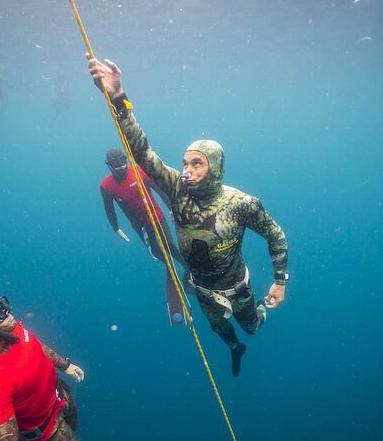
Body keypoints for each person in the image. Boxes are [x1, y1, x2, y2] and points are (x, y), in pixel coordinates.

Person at [88, 56, 289, 377]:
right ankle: (235, 348)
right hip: (204, 289)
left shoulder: (241, 203)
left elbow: (275, 234)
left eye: (197, 163)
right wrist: (118, 99)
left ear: (215, 167)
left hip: (237, 285)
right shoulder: (176, 188)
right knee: (220, 330)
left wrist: (279, 282)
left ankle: (257, 316)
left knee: (252, 326)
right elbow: (141, 151)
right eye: (185, 163)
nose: (187, 170)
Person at [0, 292, 84, 440]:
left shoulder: (7, 327)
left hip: (61, 397)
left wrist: (64, 365)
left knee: (75, 427)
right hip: (51, 432)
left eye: (1, 304)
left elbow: (34, 345)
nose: (7, 313)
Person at [101, 147, 185, 267]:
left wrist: (171, 209)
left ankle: (187, 268)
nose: (120, 165)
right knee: (154, 251)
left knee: (169, 244)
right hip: (139, 225)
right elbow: (109, 208)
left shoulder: (139, 171)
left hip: (156, 216)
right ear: (109, 165)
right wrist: (116, 228)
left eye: (122, 159)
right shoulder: (106, 186)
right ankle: (169, 267)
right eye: (115, 162)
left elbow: (159, 190)